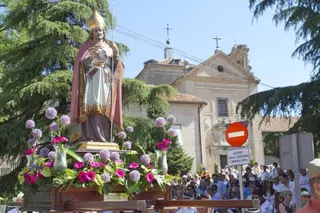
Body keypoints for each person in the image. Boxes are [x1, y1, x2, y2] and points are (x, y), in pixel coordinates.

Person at [71, 9, 124, 142]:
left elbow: (117, 67)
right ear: (92, 32)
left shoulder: (109, 47)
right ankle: (88, 135)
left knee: (104, 106)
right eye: (96, 31)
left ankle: (105, 136)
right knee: (91, 104)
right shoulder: (85, 47)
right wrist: (91, 61)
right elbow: (79, 65)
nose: (98, 33)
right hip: (90, 80)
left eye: (100, 30)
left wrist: (116, 54)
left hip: (105, 80)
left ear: (104, 32)